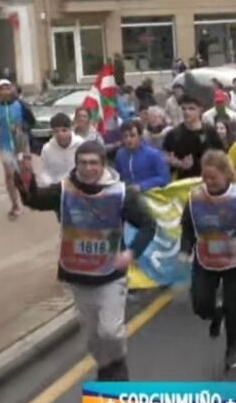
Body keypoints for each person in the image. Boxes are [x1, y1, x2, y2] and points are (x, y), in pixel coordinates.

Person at [17, 142, 157, 380]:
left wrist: (131, 253)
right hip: (78, 275)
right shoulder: (64, 190)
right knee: (93, 338)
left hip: (110, 274)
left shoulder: (121, 193)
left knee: (110, 332)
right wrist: (25, 176)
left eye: (93, 163)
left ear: (103, 165)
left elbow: (148, 225)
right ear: (76, 164)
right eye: (83, 163)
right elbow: (34, 200)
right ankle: (105, 366)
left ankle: (117, 362)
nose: (88, 168)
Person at [179, 150, 236, 371]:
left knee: (233, 306)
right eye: (205, 177)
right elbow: (187, 226)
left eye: (213, 177)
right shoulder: (195, 197)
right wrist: (185, 249)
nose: (208, 182)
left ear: (226, 174)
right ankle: (214, 313)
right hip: (206, 257)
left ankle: (232, 349)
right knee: (200, 305)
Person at [0, 79, 35, 221]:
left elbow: (32, 122)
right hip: (5, 145)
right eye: (2, 89)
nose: (5, 91)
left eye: (7, 88)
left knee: (24, 172)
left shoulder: (21, 105)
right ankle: (15, 204)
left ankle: (30, 197)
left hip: (21, 143)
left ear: (12, 89)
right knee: (9, 175)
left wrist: (21, 127)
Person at [162, 96, 225, 180]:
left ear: (200, 110)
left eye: (191, 109)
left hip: (208, 178)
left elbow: (221, 154)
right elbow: (165, 155)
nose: (186, 112)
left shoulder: (210, 131)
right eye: (183, 109)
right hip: (184, 180)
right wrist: (178, 163)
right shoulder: (174, 134)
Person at [114, 121, 170, 193]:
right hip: (128, 195)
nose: (128, 139)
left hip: (150, 195)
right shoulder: (120, 155)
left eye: (132, 135)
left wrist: (142, 186)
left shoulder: (153, 154)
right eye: (125, 136)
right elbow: (117, 177)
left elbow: (164, 178)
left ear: (140, 136)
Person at [39, 113, 85, 186]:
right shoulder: (47, 148)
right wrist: (50, 183)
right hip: (55, 186)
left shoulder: (81, 145)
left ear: (71, 129)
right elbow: (43, 171)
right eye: (56, 131)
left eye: (64, 130)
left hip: (78, 185)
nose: (60, 134)